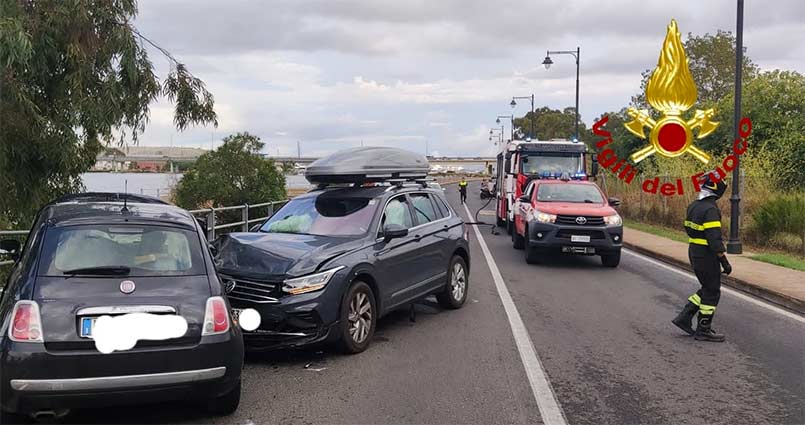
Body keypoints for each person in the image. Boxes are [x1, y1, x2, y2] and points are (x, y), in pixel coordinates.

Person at [672, 172, 732, 342]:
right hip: (706, 254)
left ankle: (684, 317)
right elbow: (714, 239)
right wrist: (724, 261)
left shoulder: (694, 205)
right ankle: (704, 328)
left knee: (707, 287)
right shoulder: (711, 209)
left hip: (695, 250)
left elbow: (689, 228)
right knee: (712, 291)